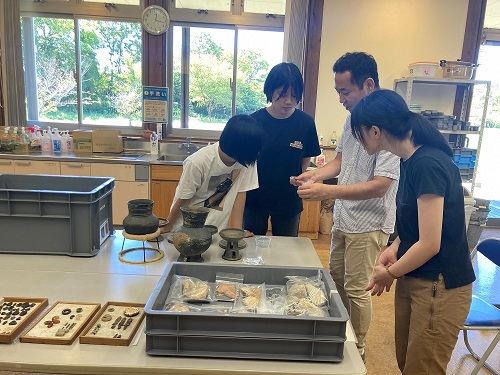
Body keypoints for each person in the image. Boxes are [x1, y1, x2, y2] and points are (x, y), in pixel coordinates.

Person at [350, 89, 475, 374]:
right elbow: (416, 225)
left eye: (360, 132)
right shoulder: (409, 160)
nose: (359, 139)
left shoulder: (427, 163)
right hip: (417, 277)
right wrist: (394, 247)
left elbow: (430, 243)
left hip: (439, 284)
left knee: (424, 369)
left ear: (375, 130)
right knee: (410, 365)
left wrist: (390, 273)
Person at [293, 52, 400, 361]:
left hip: (370, 224)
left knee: (357, 290)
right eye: (338, 91)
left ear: (368, 85)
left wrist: (328, 190)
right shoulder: (353, 116)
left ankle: (358, 348)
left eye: (345, 91)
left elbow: (381, 185)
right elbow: (339, 161)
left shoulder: (388, 122)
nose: (341, 99)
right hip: (345, 218)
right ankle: (339, 334)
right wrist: (314, 174)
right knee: (335, 279)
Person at [243, 62, 321, 237]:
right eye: (282, 94)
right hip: (255, 199)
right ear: (271, 91)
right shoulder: (254, 121)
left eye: (294, 96)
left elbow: (305, 159)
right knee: (251, 251)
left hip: (288, 201)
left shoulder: (306, 123)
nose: (289, 101)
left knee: (287, 252)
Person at [161, 114, 263, 234]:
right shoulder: (198, 162)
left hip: (217, 231)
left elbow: (240, 194)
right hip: (186, 229)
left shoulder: (246, 160)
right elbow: (183, 198)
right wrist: (167, 227)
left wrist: (237, 232)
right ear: (238, 148)